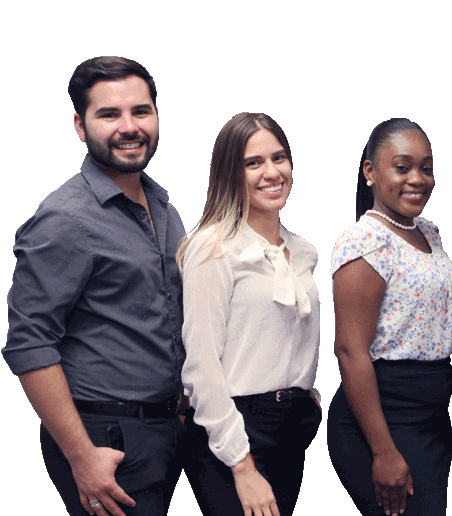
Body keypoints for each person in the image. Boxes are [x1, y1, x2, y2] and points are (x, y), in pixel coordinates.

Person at [3, 56, 185, 516]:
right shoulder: (64, 219)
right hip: (105, 438)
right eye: (109, 114)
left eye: (140, 111)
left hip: (165, 428)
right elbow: (29, 343)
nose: (129, 127)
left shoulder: (163, 205)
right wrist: (81, 456)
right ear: (80, 127)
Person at [178, 112, 321, 516]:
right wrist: (242, 465)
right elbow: (201, 365)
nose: (271, 172)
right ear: (230, 173)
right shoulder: (213, 248)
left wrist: (308, 401)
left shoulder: (302, 251)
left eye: (279, 157)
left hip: (290, 429)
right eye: (253, 163)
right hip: (233, 432)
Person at [328, 118, 452, 516]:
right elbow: (350, 351)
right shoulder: (364, 241)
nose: (418, 179)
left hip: (430, 416)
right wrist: (384, 452)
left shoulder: (429, 232)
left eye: (427, 168)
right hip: (384, 419)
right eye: (402, 167)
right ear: (370, 171)